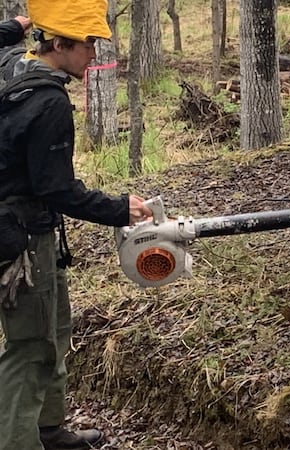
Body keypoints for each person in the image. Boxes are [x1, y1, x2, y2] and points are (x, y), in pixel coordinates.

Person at [0, 1, 153, 449]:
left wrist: (15, 26)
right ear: (60, 43)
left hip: (29, 232)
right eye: (88, 44)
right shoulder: (48, 103)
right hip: (21, 243)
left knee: (57, 327)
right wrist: (119, 209)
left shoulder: (11, 63)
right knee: (29, 346)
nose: (94, 55)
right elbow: (57, 189)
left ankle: (48, 430)